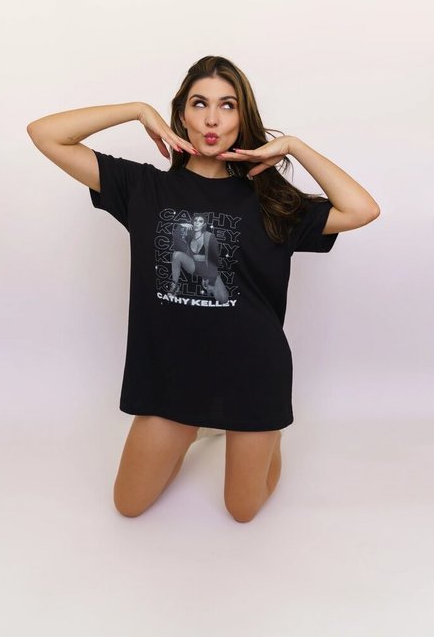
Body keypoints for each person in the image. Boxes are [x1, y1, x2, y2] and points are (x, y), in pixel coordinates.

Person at [27, 55, 380, 523]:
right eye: (199, 104)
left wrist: (294, 146)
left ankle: (267, 433)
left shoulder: (273, 202)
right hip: (170, 379)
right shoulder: (142, 187)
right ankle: (196, 429)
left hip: (253, 376)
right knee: (129, 505)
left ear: (242, 118)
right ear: (182, 115)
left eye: (227, 105)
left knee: (242, 510)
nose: (213, 119)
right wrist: (137, 110)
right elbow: (44, 134)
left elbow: (362, 209)